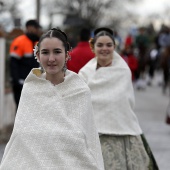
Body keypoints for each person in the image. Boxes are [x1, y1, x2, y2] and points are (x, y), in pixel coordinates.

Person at [0, 28, 104, 170]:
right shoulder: (30, 88)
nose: (51, 59)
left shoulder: (80, 90)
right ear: (37, 55)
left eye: (57, 52)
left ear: (67, 54)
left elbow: (88, 137)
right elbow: (20, 135)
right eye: (45, 52)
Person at [78, 27, 158, 170]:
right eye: (100, 45)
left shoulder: (123, 71)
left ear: (114, 47)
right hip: (92, 135)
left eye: (109, 45)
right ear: (93, 47)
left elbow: (125, 104)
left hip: (122, 134)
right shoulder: (84, 73)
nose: (104, 49)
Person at [9, 19, 41, 109]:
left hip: (34, 83)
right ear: (29, 28)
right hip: (21, 83)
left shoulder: (39, 43)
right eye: (36, 28)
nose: (38, 30)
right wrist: (17, 81)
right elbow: (13, 64)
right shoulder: (19, 41)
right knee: (20, 110)